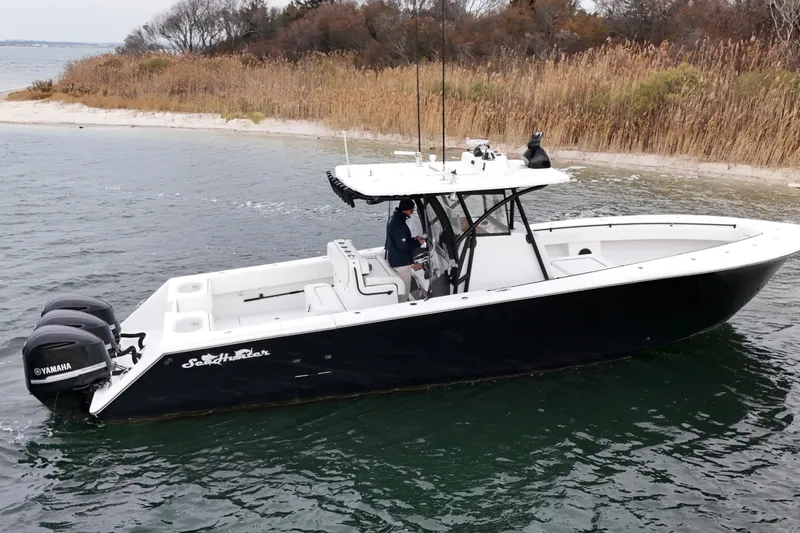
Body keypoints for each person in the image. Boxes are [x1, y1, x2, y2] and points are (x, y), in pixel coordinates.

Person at [385, 199, 425, 301]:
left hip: (395, 259)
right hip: (401, 264)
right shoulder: (399, 224)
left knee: (400, 288)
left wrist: (412, 239)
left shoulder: (394, 219)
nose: (412, 213)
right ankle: (403, 306)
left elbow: (399, 240)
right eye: (412, 211)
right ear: (407, 210)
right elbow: (402, 246)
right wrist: (418, 243)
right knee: (404, 289)